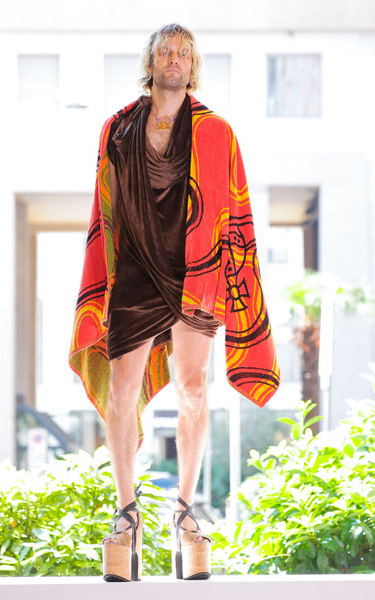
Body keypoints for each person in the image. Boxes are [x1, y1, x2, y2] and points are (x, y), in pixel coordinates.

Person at [69, 23, 281, 582]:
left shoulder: (217, 132)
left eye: (183, 52)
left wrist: (229, 278)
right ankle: (127, 517)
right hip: (136, 272)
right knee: (121, 389)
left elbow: (234, 213)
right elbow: (105, 210)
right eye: (165, 51)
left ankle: (185, 516)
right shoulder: (118, 127)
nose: (174, 58)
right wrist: (106, 277)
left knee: (193, 389)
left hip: (198, 270)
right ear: (151, 61)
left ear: (193, 65)